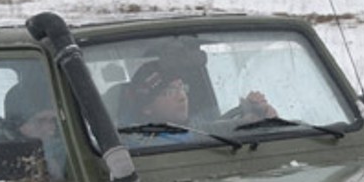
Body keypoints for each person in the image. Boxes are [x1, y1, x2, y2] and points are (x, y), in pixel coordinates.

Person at [119, 58, 277, 128]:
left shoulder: (198, 121)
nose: (181, 97)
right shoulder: (133, 140)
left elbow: (207, 130)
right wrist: (243, 123)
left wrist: (264, 117)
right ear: (147, 107)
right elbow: (192, 137)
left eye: (182, 88)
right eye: (169, 92)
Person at [3, 78, 69, 182]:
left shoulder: (70, 152)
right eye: (40, 122)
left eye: (54, 121)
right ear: (20, 126)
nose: (50, 130)